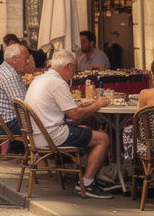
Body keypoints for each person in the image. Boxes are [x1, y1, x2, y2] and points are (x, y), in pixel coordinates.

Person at [23, 49, 115, 199]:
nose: (76, 72)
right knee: (103, 138)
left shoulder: (41, 78)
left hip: (36, 135)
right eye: (75, 68)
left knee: (85, 130)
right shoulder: (58, 82)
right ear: (68, 67)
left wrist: (82, 105)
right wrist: (98, 104)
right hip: (51, 136)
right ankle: (87, 183)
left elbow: (67, 111)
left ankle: (90, 176)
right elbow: (76, 116)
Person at [0, 43, 31, 137]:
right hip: (9, 124)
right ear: (15, 59)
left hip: (4, 122)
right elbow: (22, 107)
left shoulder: (5, 69)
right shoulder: (10, 75)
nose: (28, 62)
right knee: (50, 125)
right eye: (26, 58)